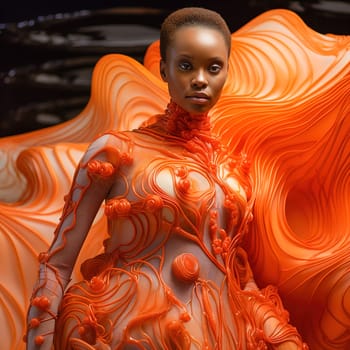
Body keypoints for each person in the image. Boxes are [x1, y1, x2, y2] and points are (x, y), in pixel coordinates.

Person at [25, 7, 308, 349]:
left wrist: (276, 332)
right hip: (125, 332)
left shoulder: (232, 172)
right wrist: (37, 344)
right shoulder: (116, 151)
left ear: (226, 73)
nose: (200, 78)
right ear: (164, 69)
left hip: (224, 336)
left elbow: (234, 274)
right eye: (186, 65)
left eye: (213, 67)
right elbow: (58, 263)